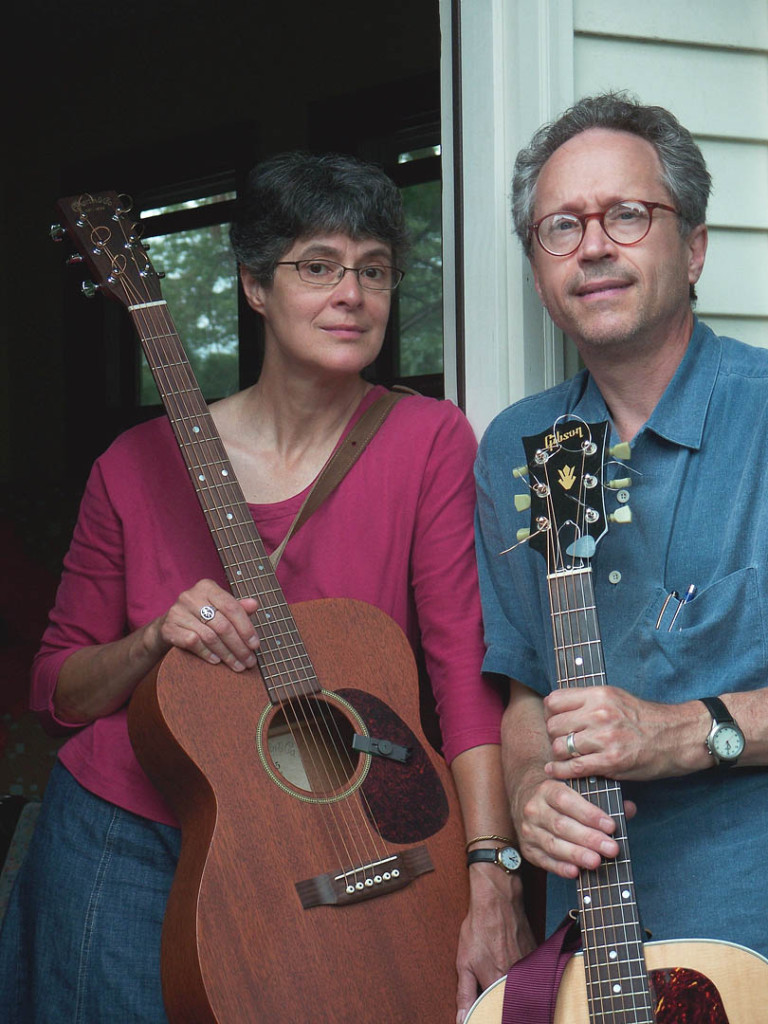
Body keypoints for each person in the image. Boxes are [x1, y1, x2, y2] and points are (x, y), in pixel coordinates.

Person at [0, 151, 534, 1023]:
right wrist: (150, 642)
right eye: (317, 267)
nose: (350, 295)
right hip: (132, 834)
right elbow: (55, 689)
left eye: (374, 271)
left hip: (327, 837)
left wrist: (491, 869)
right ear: (254, 286)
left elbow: (463, 673)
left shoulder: (429, 440)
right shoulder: (132, 465)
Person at [475, 92, 768, 956]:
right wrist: (530, 785)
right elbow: (527, 687)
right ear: (538, 271)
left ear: (696, 247)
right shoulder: (518, 446)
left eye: (627, 215)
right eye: (559, 227)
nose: (593, 244)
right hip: (592, 938)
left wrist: (677, 731)